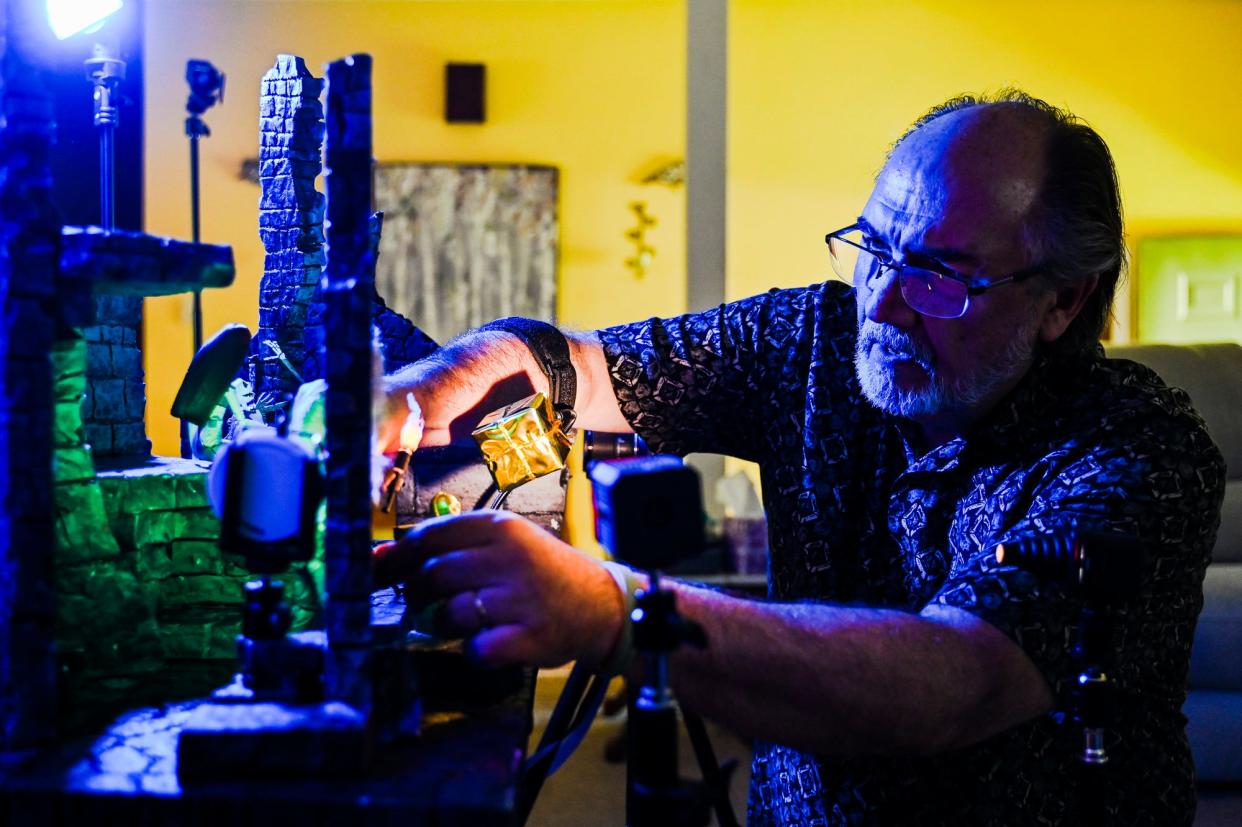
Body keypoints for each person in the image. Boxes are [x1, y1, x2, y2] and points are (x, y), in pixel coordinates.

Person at [373, 90, 1224, 825]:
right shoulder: (811, 338)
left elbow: (953, 682)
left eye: (941, 277)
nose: (883, 303)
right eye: (875, 249)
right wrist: (422, 390)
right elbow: (574, 368)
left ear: (1062, 300)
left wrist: (613, 611)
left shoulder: (1143, 452)